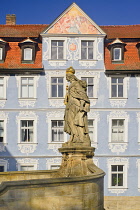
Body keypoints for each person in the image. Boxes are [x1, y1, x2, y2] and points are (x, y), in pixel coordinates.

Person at [64, 66, 90, 144]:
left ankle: (78, 137)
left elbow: (82, 95)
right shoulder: (72, 85)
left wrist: (82, 105)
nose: (66, 78)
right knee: (69, 121)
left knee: (76, 122)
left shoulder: (76, 84)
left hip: (75, 105)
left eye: (66, 77)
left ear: (70, 77)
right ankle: (73, 136)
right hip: (70, 105)